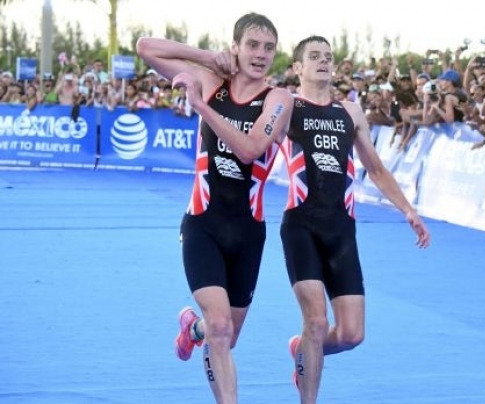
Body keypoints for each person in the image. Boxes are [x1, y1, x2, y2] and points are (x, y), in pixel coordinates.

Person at [174, 35, 430, 404]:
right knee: (316, 321)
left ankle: (303, 351)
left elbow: (374, 167)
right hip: (301, 227)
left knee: (351, 334)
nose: (324, 61)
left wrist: (408, 210)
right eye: (314, 56)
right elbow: (252, 131)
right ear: (297, 68)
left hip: (342, 230)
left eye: (328, 56)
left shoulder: (350, 112)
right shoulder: (285, 106)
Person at [135, 12, 294, 404]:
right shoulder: (212, 81)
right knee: (221, 329)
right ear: (235, 47)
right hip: (203, 225)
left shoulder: (277, 99)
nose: (260, 55)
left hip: (249, 234)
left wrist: (200, 107)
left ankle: (192, 330)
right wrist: (207, 58)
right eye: (252, 45)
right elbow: (145, 48)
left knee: (226, 335)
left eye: (268, 48)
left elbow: (250, 148)